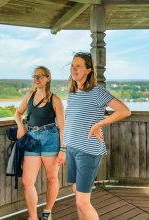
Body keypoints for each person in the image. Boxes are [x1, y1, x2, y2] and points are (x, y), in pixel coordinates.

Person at [64, 52, 131, 220]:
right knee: (76, 193)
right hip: (72, 148)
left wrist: (98, 124)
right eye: (72, 65)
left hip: (88, 151)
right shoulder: (73, 93)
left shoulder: (97, 91)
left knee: (82, 202)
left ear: (88, 70)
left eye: (78, 65)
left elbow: (124, 111)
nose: (74, 68)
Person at [14, 66, 66, 220]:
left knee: (51, 177)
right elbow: (17, 113)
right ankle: (33, 217)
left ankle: (47, 211)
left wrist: (63, 149)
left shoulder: (55, 99)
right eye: (34, 76)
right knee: (27, 180)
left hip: (50, 138)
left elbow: (63, 126)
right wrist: (20, 126)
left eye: (40, 76)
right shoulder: (29, 95)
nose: (36, 79)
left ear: (48, 78)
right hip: (31, 139)